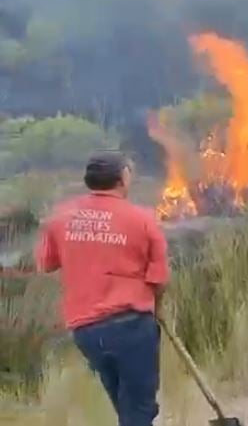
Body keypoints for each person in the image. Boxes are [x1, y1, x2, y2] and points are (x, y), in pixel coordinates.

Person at [35, 151, 169, 426]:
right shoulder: (143, 219)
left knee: (125, 403)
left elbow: (46, 263)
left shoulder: (60, 217)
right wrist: (158, 309)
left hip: (86, 331)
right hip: (132, 326)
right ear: (123, 178)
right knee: (139, 407)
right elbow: (158, 279)